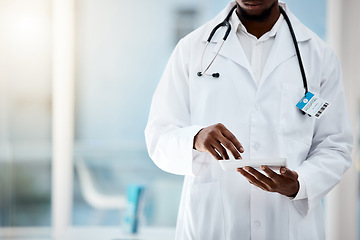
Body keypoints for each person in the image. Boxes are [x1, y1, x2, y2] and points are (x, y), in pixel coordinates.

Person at [145, 0, 353, 239]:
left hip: (288, 225)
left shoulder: (318, 55)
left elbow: (336, 145)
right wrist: (195, 137)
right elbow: (158, 136)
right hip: (214, 223)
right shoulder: (192, 48)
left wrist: (301, 184)